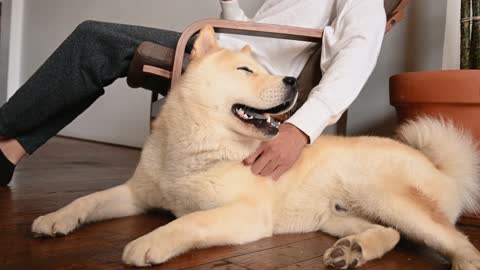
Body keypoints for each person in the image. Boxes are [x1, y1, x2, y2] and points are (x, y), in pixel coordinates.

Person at [0, 0, 386, 185]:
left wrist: (300, 129)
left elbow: (356, 57)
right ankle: (7, 151)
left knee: (94, 40)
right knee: (97, 45)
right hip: (228, 52)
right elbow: (254, 35)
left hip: (242, 71)